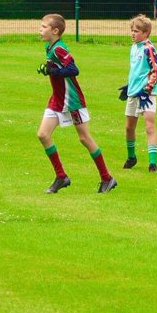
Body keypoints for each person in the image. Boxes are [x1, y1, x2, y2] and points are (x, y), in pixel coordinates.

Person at [36, 14, 117, 194]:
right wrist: (47, 70)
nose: (40, 30)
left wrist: (53, 71)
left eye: (43, 27)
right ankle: (61, 176)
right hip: (57, 100)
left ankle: (107, 177)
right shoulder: (49, 47)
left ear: (55, 31)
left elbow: (73, 69)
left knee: (84, 138)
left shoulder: (59, 49)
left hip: (71, 101)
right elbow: (55, 69)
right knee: (43, 134)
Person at [123, 14, 157, 172]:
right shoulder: (133, 48)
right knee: (128, 128)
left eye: (137, 31)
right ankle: (131, 157)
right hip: (133, 93)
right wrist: (129, 86)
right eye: (132, 30)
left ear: (146, 33)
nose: (133, 34)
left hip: (147, 95)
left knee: (149, 127)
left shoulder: (149, 49)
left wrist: (147, 89)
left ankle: (153, 163)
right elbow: (136, 71)